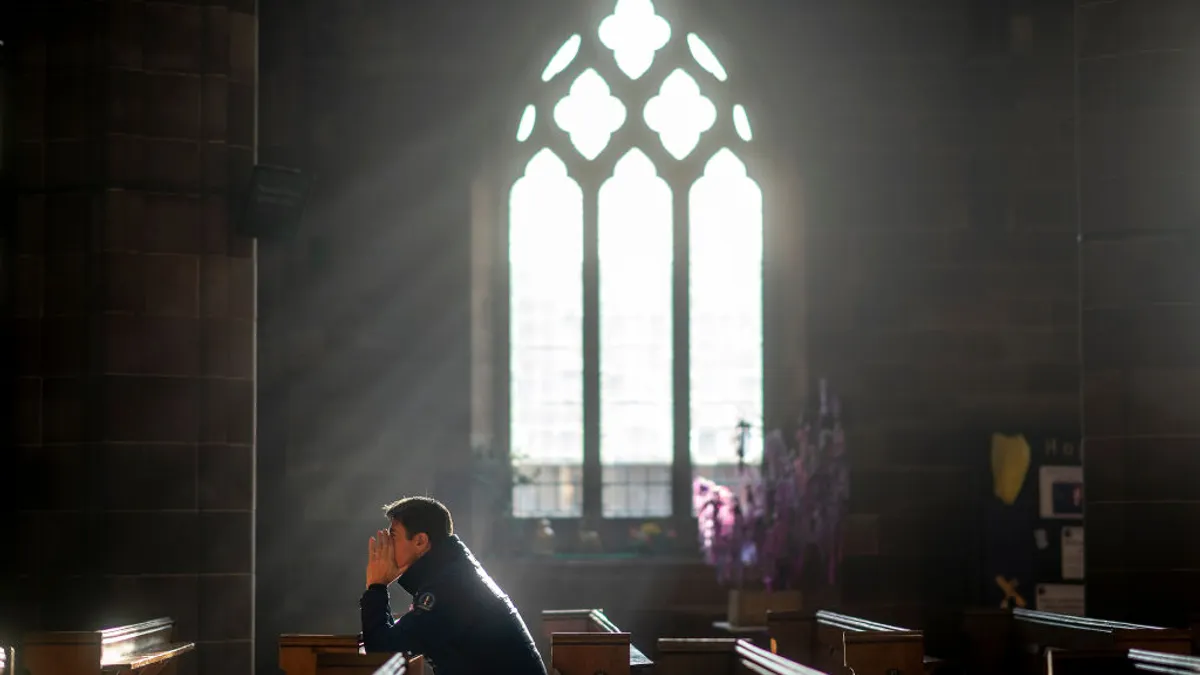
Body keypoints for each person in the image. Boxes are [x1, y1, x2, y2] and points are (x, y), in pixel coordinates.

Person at [361, 496, 547, 675]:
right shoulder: (452, 574)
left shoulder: (449, 588)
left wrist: (376, 586)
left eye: (393, 536)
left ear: (420, 541)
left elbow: (383, 654)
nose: (387, 545)